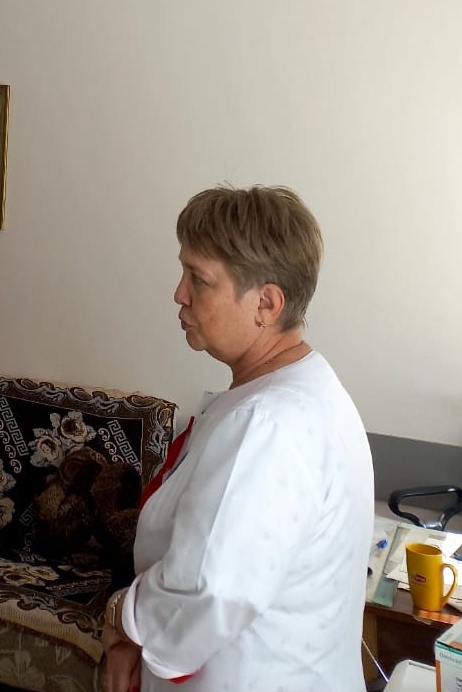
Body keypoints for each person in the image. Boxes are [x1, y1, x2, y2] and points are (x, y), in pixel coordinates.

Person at [101, 185, 372, 692]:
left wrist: (123, 619)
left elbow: (210, 589)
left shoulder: (268, 424)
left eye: (199, 279)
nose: (179, 293)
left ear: (266, 303)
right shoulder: (291, 392)